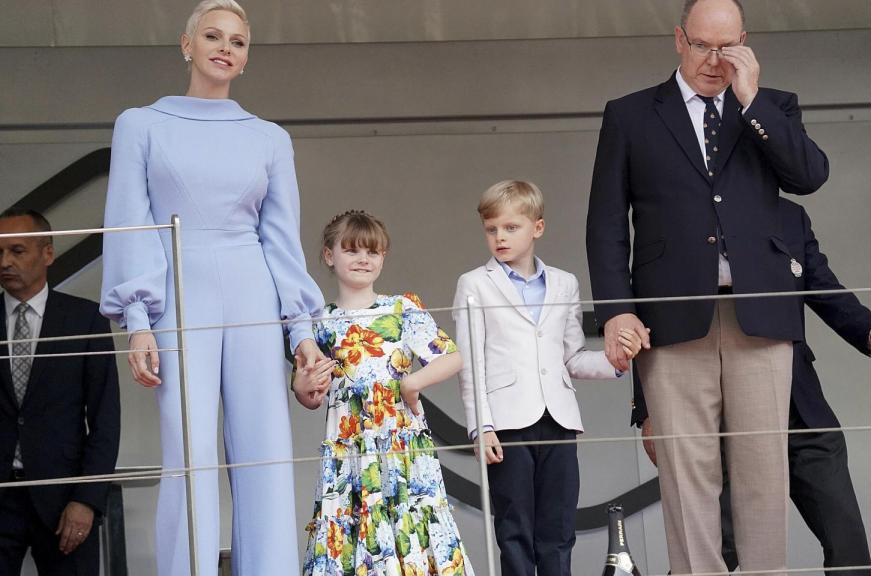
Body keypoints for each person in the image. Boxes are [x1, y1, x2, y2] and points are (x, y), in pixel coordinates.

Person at [585, 0, 831, 572]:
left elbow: (810, 176)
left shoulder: (772, 107)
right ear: (679, 39)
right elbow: (605, 224)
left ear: (744, 43)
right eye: (701, 46)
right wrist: (616, 311)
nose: (714, 60)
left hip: (760, 320)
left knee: (763, 475)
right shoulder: (629, 115)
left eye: (727, 48)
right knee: (686, 477)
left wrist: (751, 100)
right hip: (672, 322)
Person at [100, 1, 325, 573]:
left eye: (238, 42)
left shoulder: (270, 138)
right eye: (213, 36)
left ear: (246, 58)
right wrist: (139, 321)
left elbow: (281, 239)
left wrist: (301, 331)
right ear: (186, 44)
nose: (225, 48)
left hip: (252, 287)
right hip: (179, 292)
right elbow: (131, 220)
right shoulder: (140, 124)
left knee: (266, 454)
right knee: (189, 453)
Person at [633, 197, 871, 576]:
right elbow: (655, 308)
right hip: (724, 421)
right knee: (712, 551)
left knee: (848, 547)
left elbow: (823, 286)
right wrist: (647, 409)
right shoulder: (685, 211)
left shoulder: (790, 216)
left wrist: (867, 329)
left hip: (801, 411)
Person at [452, 180, 642, 576]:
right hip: (505, 424)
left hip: (558, 421)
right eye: (491, 229)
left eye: (510, 227)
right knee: (514, 529)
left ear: (537, 227)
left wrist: (617, 362)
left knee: (558, 529)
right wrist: (480, 427)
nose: (500, 237)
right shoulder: (474, 284)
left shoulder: (564, 282)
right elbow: (471, 364)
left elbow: (571, 357)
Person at [294, 210, 473, 576]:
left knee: (411, 526)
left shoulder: (402, 309)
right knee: (353, 529)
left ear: (383, 257)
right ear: (329, 256)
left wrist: (412, 383)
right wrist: (304, 389)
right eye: (352, 250)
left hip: (402, 447)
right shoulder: (320, 321)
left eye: (372, 252)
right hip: (349, 452)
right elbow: (308, 389)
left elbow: (452, 357)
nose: (363, 259)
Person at [0, 209, 120, 575]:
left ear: (47, 254)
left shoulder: (85, 320)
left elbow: (105, 420)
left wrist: (87, 499)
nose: (5, 262)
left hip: (64, 500)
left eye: (17, 251)